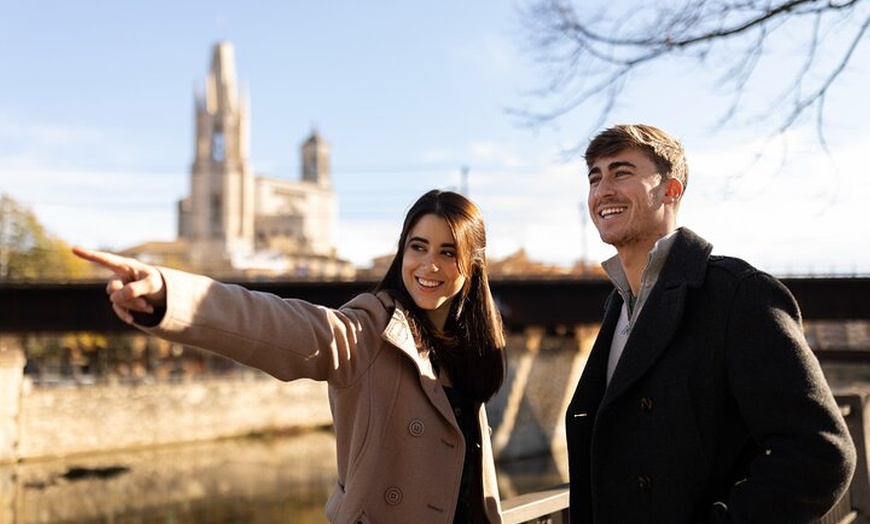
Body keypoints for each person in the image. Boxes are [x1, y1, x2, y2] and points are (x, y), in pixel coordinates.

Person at [73, 189, 507, 524]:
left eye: (448, 251)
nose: (428, 264)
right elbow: (278, 323)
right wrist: (172, 295)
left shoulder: (468, 350)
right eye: (418, 246)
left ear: (472, 264)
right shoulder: (371, 329)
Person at [565, 124, 857, 523]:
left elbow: (821, 454)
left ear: (671, 190)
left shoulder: (738, 294)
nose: (602, 191)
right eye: (594, 178)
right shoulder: (618, 305)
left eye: (622, 172)